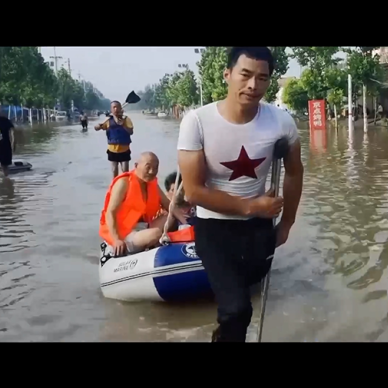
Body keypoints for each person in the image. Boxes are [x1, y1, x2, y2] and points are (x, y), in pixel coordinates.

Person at [178, 47, 304, 342]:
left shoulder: (281, 122)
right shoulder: (197, 122)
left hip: (259, 228)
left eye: (262, 78)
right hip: (214, 228)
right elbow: (194, 191)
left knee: (240, 306)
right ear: (228, 75)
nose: (253, 85)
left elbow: (295, 171)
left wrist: (287, 223)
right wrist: (250, 206)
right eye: (245, 75)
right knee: (237, 309)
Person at [98, 151, 171, 257]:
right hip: (125, 233)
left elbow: (169, 205)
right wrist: (116, 239)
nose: (152, 171)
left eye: (155, 168)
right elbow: (110, 212)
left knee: (170, 216)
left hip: (144, 228)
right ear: (136, 166)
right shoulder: (123, 183)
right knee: (155, 233)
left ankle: (152, 244)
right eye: (148, 167)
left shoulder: (152, 184)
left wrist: (186, 222)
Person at [95, 101, 134, 178]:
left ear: (120, 109)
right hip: (112, 150)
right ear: (111, 109)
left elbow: (131, 132)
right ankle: (114, 187)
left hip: (124, 149)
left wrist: (123, 125)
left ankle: (126, 188)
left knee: (125, 173)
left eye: (117, 107)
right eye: (114, 107)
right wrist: (98, 126)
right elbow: (96, 128)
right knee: (114, 172)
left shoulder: (126, 119)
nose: (116, 109)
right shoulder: (108, 120)